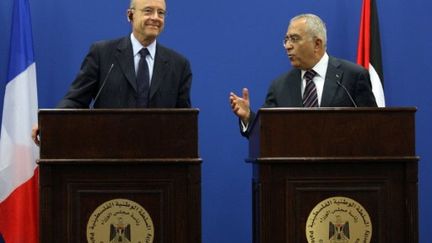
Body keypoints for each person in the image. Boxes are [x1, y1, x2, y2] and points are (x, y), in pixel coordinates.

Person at [32, 0, 192, 145]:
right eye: (148, 11)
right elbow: (76, 100)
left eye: (161, 13)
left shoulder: (178, 65)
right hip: (108, 155)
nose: (155, 17)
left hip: (160, 161)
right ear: (130, 15)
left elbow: (184, 122)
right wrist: (50, 123)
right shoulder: (102, 54)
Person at [229, 13, 377, 138]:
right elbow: (265, 133)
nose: (287, 46)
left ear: (317, 44)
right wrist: (248, 117)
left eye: (294, 39)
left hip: (343, 169)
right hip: (294, 171)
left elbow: (373, 128)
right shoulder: (279, 86)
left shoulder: (353, 76)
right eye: (286, 40)